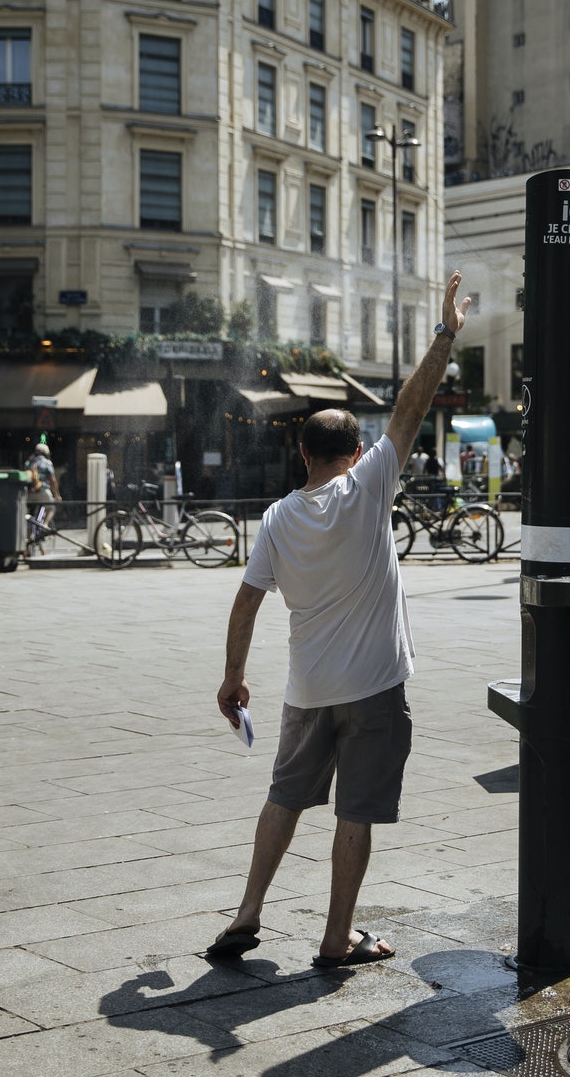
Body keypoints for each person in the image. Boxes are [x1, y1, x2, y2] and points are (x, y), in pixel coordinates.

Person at [206, 271, 472, 970]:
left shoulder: (275, 517)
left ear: (302, 455)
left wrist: (233, 677)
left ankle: (247, 911)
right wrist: (445, 333)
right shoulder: (370, 485)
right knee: (355, 811)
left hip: (306, 689)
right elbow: (410, 409)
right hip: (375, 689)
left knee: (284, 798)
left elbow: (246, 599)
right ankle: (335, 939)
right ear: (356, 454)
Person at [26, 442, 59, 532]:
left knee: (29, 514)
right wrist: (56, 495)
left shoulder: (29, 462)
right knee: (51, 507)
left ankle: (30, 535)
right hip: (42, 492)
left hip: (29, 493)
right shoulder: (47, 462)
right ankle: (45, 524)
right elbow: (53, 481)